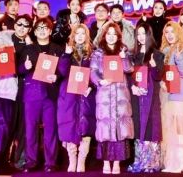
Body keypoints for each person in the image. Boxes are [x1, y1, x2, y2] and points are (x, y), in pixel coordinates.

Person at [0, 14, 32, 177]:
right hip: (6, 92)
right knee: (2, 129)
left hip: (24, 94)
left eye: (26, 25)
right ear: (14, 25)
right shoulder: (2, 42)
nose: (22, 28)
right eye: (19, 24)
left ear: (29, 29)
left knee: (19, 131)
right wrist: (1, 64)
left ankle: (11, 163)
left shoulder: (30, 45)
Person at [17, 17, 62, 171]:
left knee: (51, 130)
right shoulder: (28, 49)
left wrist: (57, 76)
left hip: (50, 95)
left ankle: (50, 163)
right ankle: (31, 161)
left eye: (45, 28)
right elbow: (18, 70)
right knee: (30, 130)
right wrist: (25, 66)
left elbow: (63, 70)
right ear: (34, 32)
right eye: (39, 28)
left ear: (50, 31)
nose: (42, 31)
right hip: (32, 94)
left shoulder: (57, 49)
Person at [90, 23, 134, 174]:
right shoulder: (98, 53)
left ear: (118, 36)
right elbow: (93, 71)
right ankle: (105, 163)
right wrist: (99, 81)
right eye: (108, 34)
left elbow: (129, 69)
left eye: (114, 34)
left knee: (120, 129)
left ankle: (116, 163)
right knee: (105, 128)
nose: (111, 37)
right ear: (104, 35)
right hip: (105, 94)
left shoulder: (124, 50)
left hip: (121, 95)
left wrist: (123, 58)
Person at [57, 24, 96, 172]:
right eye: (77, 33)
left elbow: (96, 74)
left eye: (83, 33)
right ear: (73, 36)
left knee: (86, 126)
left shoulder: (92, 54)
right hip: (69, 95)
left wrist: (91, 86)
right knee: (70, 125)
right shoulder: (67, 52)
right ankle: (72, 160)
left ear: (87, 36)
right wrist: (66, 55)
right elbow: (62, 72)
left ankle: (81, 161)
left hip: (86, 95)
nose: (80, 36)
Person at [160, 21, 183, 173]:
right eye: (167, 32)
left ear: (178, 33)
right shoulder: (164, 50)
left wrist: (179, 59)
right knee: (169, 130)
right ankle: (171, 162)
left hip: (180, 96)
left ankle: (181, 162)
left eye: (172, 32)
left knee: (180, 129)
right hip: (167, 96)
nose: (170, 35)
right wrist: (162, 82)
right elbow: (163, 73)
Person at [128, 23, 164, 173]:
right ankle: (140, 161)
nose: (141, 37)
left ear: (149, 35)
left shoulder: (157, 54)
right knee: (138, 125)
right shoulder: (133, 55)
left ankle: (151, 163)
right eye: (138, 34)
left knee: (151, 125)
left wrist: (154, 66)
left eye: (144, 34)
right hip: (137, 96)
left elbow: (158, 76)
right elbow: (129, 75)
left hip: (151, 97)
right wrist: (133, 87)